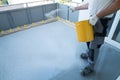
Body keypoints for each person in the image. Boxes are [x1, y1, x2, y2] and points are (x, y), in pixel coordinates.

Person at [70, 0, 120, 76]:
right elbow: (91, 4)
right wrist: (76, 8)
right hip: (93, 18)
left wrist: (97, 16)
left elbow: (118, 4)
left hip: (102, 20)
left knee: (95, 45)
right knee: (88, 38)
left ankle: (91, 66)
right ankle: (88, 53)